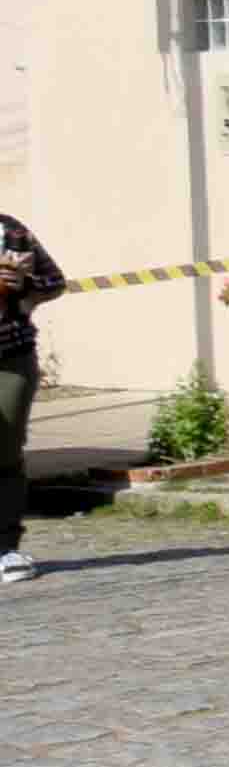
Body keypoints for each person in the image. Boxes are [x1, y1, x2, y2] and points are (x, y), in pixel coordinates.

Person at [0, 201, 60, 586]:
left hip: (11, 358)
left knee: (5, 448)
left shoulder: (11, 231)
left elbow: (55, 280)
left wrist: (24, 284)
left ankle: (5, 546)